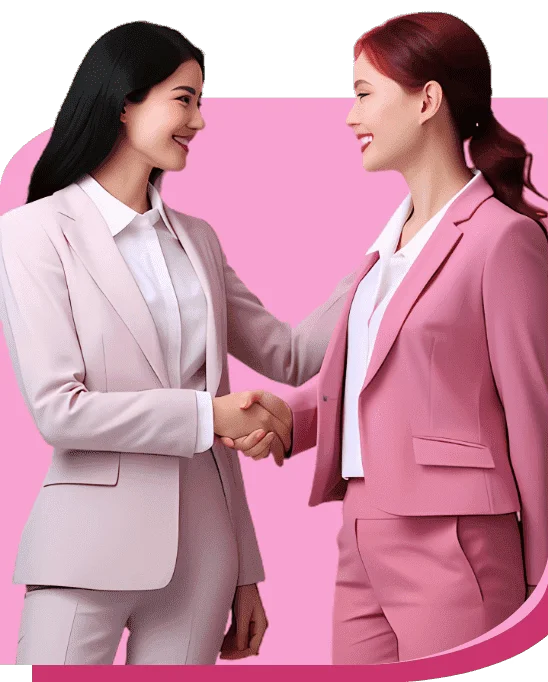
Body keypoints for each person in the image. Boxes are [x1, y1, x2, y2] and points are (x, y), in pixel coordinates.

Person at [0, 20, 355, 665]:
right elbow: (60, 410)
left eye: (201, 101)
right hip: (86, 551)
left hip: (202, 563)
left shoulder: (198, 240)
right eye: (184, 99)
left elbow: (292, 354)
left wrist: (390, 257)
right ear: (124, 101)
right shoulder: (34, 233)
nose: (199, 119)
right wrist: (206, 416)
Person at [222, 12, 548, 664]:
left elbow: (539, 420)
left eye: (364, 92)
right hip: (361, 532)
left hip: (456, 540)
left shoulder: (502, 239)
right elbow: (377, 375)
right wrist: (294, 417)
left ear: (427, 99)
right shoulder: (384, 251)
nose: (351, 115)